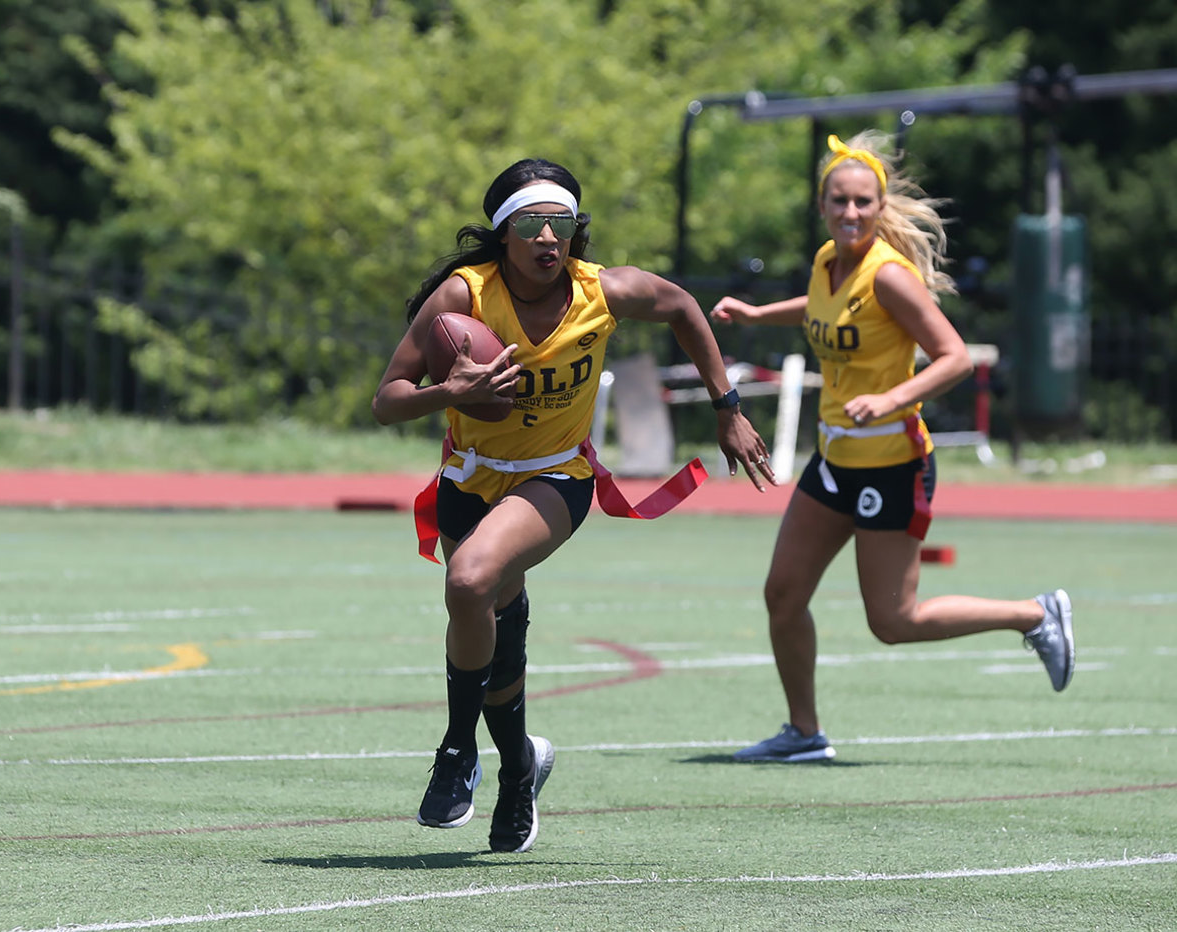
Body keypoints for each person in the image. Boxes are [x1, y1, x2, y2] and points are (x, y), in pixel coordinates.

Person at [372, 158, 775, 850]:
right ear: (504, 233)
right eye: (532, 224)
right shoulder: (464, 296)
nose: (548, 238)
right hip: (469, 479)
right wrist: (450, 393)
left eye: (561, 224)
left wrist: (727, 408)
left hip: (555, 476)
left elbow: (682, 307)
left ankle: (457, 750)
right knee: (498, 632)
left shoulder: (604, 290)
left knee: (468, 581)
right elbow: (387, 401)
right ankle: (519, 769)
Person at [711, 131, 1075, 764]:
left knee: (892, 621)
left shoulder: (889, 277)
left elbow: (955, 357)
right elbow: (820, 308)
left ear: (880, 208)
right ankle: (804, 734)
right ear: (822, 205)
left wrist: (891, 399)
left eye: (862, 202)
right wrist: (757, 315)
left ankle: (1034, 615)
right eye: (839, 200)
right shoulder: (828, 260)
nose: (850, 212)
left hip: (892, 464)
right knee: (783, 594)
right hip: (835, 460)